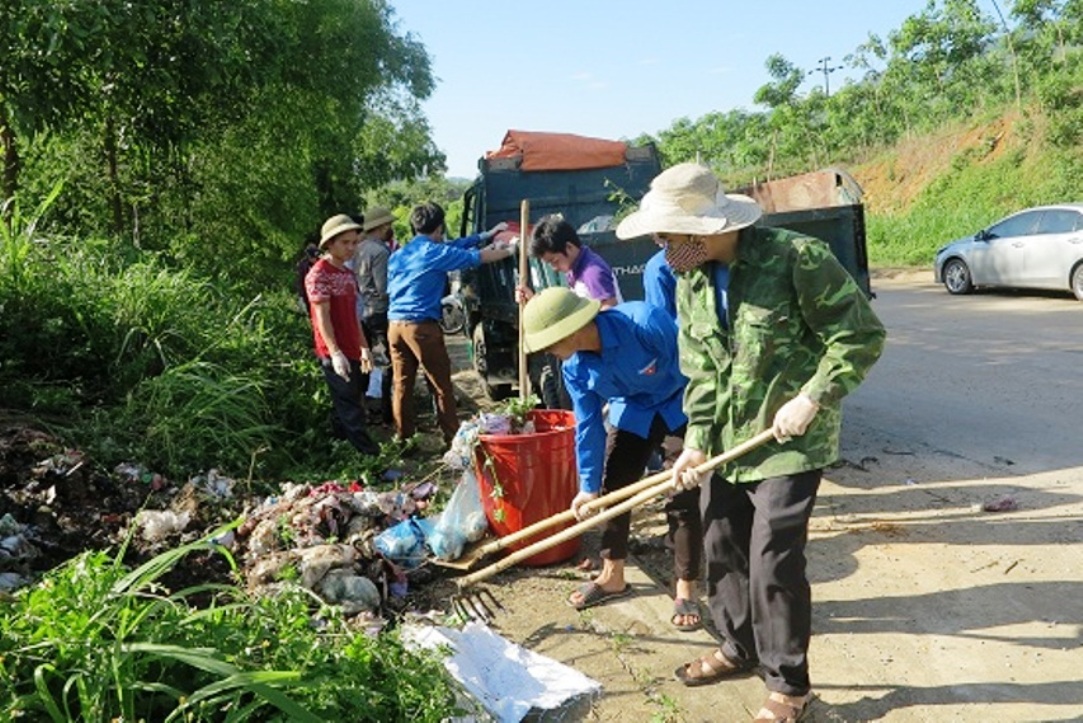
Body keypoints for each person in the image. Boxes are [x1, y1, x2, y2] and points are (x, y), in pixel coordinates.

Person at [615, 163, 885, 722]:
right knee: (721, 544)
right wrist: (696, 443)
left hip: (789, 440)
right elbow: (703, 373)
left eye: (669, 235)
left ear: (710, 229)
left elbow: (859, 335)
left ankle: (789, 685)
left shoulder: (796, 259)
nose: (663, 247)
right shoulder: (689, 278)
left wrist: (813, 395)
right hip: (727, 443)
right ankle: (738, 647)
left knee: (773, 561)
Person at [522, 287, 703, 630]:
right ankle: (612, 575)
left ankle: (685, 587)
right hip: (632, 412)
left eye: (549, 343)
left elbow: (697, 373)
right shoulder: (574, 366)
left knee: (681, 495)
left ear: (571, 329)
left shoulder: (644, 324)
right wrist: (587, 487)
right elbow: (587, 425)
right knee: (612, 489)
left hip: (680, 405)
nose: (548, 351)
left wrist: (689, 440)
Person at [387, 201, 515, 445]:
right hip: (421, 327)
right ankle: (452, 439)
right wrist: (508, 250)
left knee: (402, 385)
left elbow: (454, 246)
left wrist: (485, 235)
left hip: (394, 326)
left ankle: (404, 441)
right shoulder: (434, 253)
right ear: (439, 228)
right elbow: (477, 257)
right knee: (441, 385)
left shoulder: (400, 254)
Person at [305, 214, 380, 456]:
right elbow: (322, 317)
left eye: (354, 242)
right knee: (351, 409)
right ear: (329, 244)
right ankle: (370, 460)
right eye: (345, 243)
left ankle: (340, 452)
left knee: (350, 403)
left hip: (352, 348)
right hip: (334, 351)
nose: (351, 248)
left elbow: (352, 315)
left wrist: (364, 346)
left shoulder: (347, 274)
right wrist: (335, 353)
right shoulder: (318, 275)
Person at [515, 214, 622, 307]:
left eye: (554, 261)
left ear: (569, 247)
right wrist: (532, 300)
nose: (554, 268)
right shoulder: (574, 269)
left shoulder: (593, 273)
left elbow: (609, 308)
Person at [354, 206, 395, 425]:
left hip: (363, 312)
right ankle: (387, 414)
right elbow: (384, 288)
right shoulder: (380, 252)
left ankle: (364, 410)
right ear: (381, 226)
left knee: (365, 362)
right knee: (386, 364)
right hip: (380, 313)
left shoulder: (358, 248)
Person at [294, 238, 320, 314]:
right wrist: (301, 296)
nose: (314, 259)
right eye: (312, 257)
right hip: (307, 295)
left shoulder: (321, 263)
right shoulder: (302, 265)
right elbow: (299, 281)